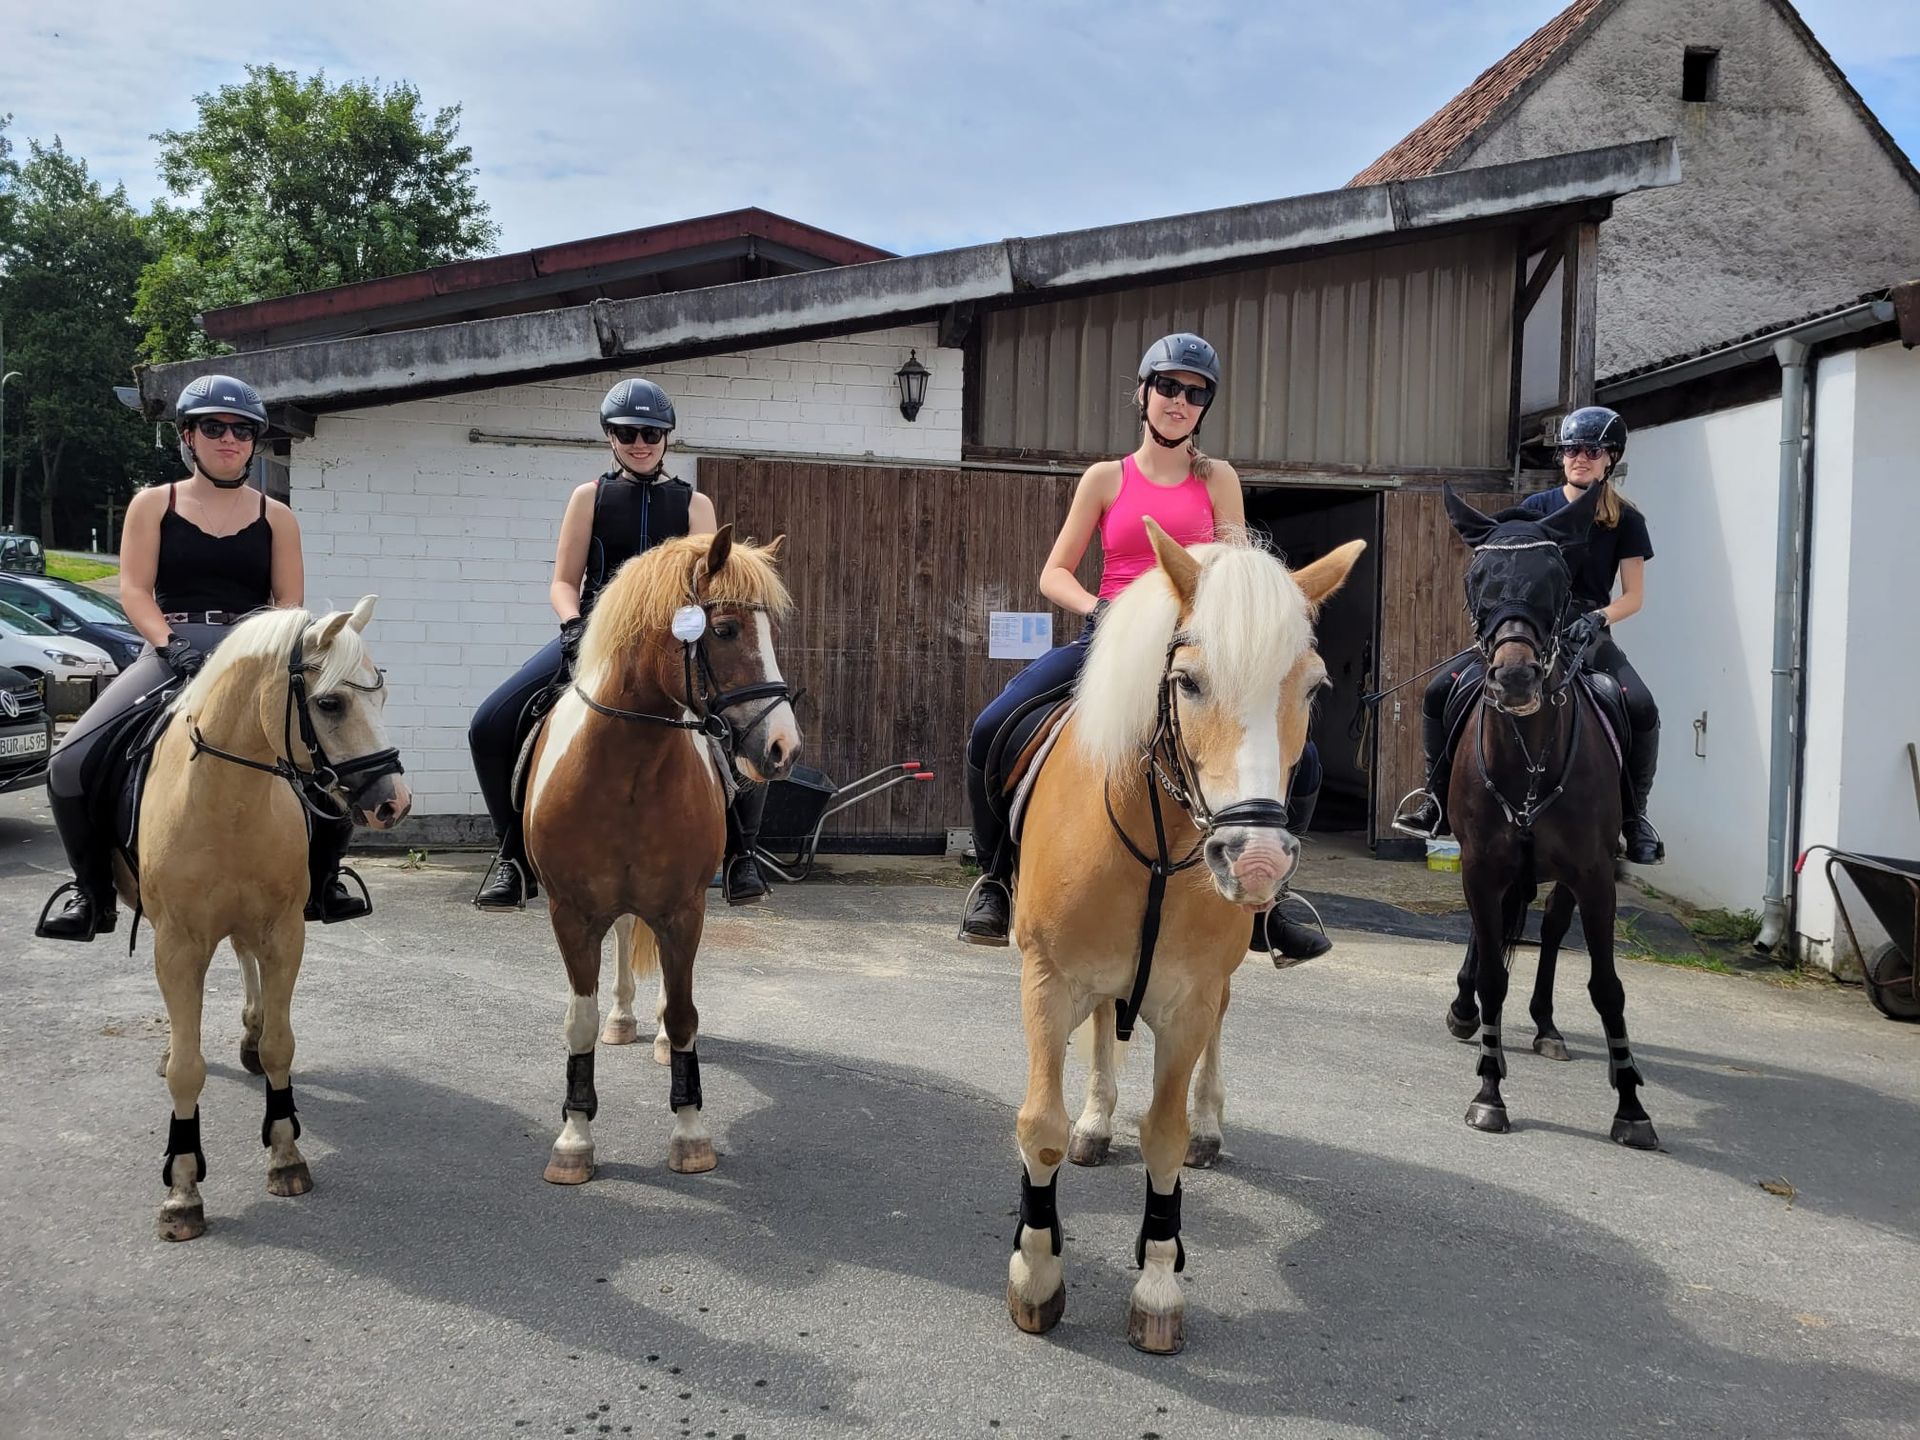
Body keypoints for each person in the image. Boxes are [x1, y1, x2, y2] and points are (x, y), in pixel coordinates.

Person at [956, 333, 1330, 958]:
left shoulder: (1219, 479)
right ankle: (995, 880)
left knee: (1306, 757)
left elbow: (1240, 576)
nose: (1179, 401)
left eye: (1195, 394)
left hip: (1197, 649)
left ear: (1204, 408)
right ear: (1143, 393)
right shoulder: (1106, 479)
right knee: (993, 727)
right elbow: (1054, 573)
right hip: (1112, 639)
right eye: (1168, 387)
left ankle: (1272, 897)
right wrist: (1098, 609)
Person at [35, 374, 368, 941]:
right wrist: (172, 645)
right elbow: (135, 590)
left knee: (326, 753)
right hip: (171, 652)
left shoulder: (277, 517)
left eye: (242, 431)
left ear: (254, 442)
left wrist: (251, 656)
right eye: (214, 427)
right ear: (188, 436)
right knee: (69, 761)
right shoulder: (152, 504)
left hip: (252, 660)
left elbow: (289, 605)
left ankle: (325, 881)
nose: (229, 439)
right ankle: (91, 895)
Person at [467, 378, 771, 909]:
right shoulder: (590, 497)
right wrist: (572, 626)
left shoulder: (694, 505)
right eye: (628, 432)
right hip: (594, 640)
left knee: (744, 718)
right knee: (490, 724)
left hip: (672, 649)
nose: (640, 442)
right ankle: (511, 855)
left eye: (651, 433)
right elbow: (564, 582)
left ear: (667, 438)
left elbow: (711, 587)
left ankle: (742, 853)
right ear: (610, 436)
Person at [1393, 405, 1663, 863]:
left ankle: (1635, 818)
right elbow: (1496, 553)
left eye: (1591, 450)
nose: (1579, 458)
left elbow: (1633, 596)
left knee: (1640, 704)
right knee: (1439, 690)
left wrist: (1598, 618)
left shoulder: (1627, 520)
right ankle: (1434, 800)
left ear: (1610, 458)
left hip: (1585, 629)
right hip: (1529, 628)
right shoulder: (1535, 509)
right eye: (1570, 450)